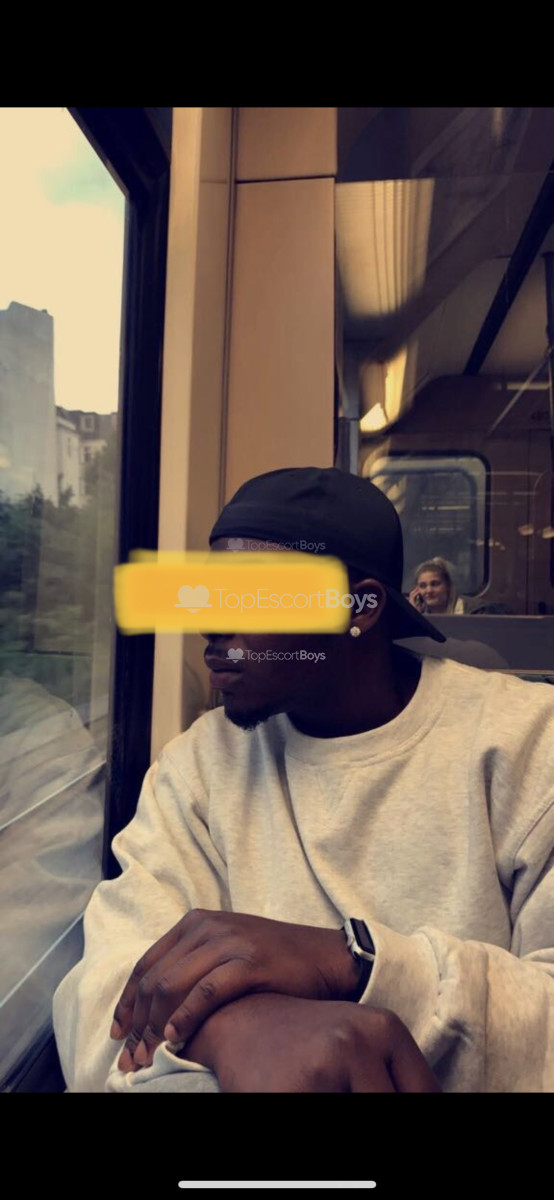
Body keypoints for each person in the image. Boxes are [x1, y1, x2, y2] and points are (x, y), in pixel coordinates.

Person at [53, 467, 554, 1093]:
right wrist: (232, 1027)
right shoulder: (199, 766)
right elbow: (101, 986)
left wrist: (355, 964)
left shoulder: (529, 745)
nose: (210, 623)